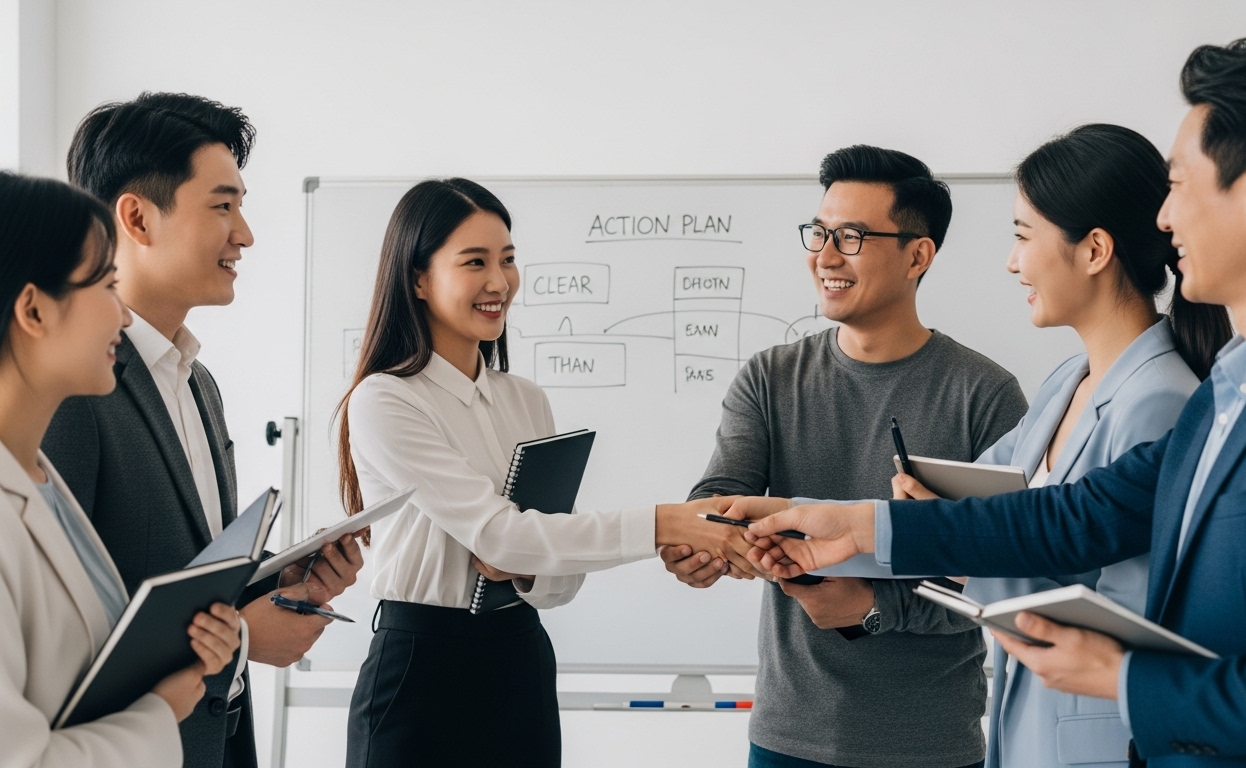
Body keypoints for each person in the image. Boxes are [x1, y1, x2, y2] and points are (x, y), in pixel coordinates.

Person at [746, 38, 1246, 767]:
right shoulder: (1235, 383)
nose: (1163, 220)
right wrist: (856, 526)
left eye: (1180, 185)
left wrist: (1125, 677)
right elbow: (1081, 517)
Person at [338, 177, 754, 768]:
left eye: (508, 260)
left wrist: (533, 565)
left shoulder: (526, 400)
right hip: (421, 667)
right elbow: (504, 536)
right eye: (475, 262)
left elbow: (557, 571)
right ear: (418, 278)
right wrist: (667, 523)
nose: (499, 282)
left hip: (520, 659)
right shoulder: (385, 399)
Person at [662, 146, 1028, 768]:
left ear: (918, 255)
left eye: (852, 237)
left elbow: (997, 576)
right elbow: (720, 493)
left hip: (929, 744)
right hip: (788, 737)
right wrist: (705, 542)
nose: (825, 256)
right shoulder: (770, 377)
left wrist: (874, 608)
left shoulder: (984, 394)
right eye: (820, 232)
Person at [890, 123, 1229, 768]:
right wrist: (930, 509)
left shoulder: (1162, 402)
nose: (1013, 262)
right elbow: (991, 502)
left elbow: (1134, 617)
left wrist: (958, 549)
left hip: (1095, 741)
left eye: (1022, 236)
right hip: (1027, 729)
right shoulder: (1065, 382)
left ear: (1095, 248)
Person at [44, 92, 365, 768]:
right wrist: (245, 637)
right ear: (136, 216)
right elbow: (53, 628)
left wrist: (277, 589)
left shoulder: (198, 382)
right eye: (222, 206)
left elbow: (178, 578)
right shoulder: (71, 388)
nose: (244, 234)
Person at [0, 171, 242, 767]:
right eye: (108, 285)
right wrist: (159, 711)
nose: (125, 317)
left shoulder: (38, 483)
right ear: (33, 309)